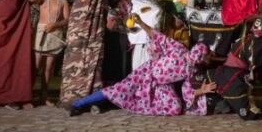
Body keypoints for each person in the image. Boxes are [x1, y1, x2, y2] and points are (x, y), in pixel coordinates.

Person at [70, 12, 215, 116]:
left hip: (161, 85)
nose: (209, 59)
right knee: (118, 90)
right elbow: (156, 36)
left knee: (175, 108)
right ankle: (78, 104)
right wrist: (139, 22)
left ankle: (117, 104)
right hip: (146, 73)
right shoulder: (179, 49)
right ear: (202, 55)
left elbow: (187, 91)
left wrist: (201, 91)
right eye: (208, 55)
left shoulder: (192, 70)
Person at [59, 0, 108, 109]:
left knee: (94, 68)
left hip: (92, 43)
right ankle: (71, 97)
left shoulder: (98, 7)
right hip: (77, 45)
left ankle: (94, 100)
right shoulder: (77, 7)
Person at [29, 0, 72, 106]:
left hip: (55, 34)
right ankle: (28, 95)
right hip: (41, 33)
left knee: (48, 68)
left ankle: (44, 96)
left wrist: (55, 25)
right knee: (36, 66)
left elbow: (67, 20)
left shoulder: (63, 2)